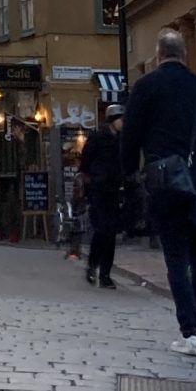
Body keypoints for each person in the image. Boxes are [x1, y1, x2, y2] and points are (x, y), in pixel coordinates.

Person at [120, 28, 196, 355]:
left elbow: (131, 136)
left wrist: (128, 174)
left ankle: (189, 331)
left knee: (176, 256)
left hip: (166, 181)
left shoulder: (147, 86)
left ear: (158, 55)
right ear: (184, 55)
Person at [80, 105, 124, 290]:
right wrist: (91, 180)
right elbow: (85, 160)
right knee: (101, 231)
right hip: (98, 190)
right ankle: (92, 265)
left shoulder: (122, 139)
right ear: (112, 119)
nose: (124, 122)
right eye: (121, 118)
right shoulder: (98, 137)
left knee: (111, 233)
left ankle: (105, 274)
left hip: (115, 190)